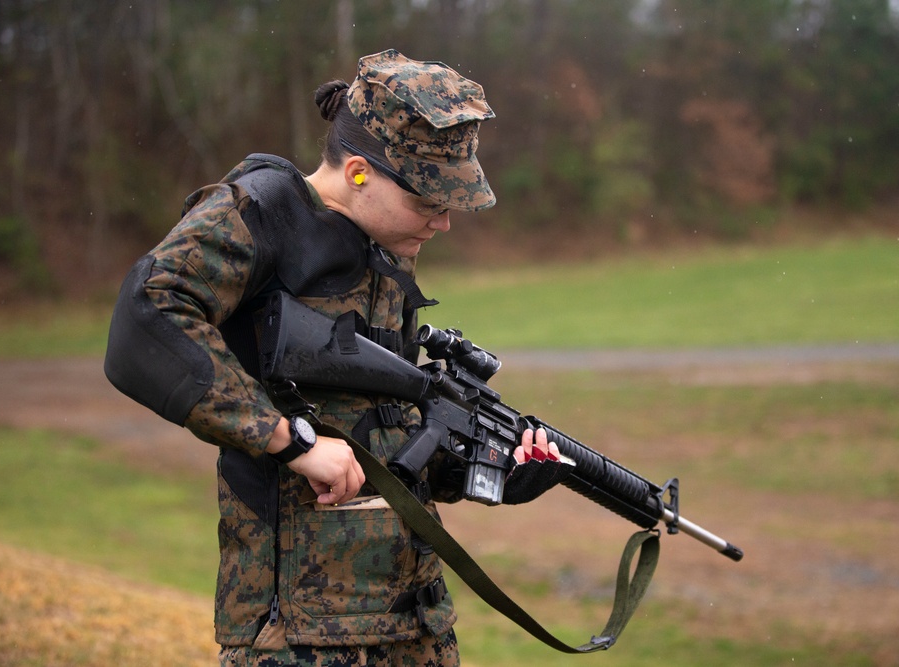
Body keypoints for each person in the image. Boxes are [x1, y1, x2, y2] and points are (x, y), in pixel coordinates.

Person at [104, 49, 563, 667]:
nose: (443, 224)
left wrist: (486, 469)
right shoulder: (261, 211)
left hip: (413, 622)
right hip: (296, 636)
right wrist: (286, 439)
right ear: (357, 172)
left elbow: (385, 437)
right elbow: (147, 314)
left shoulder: (387, 250)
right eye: (428, 202)